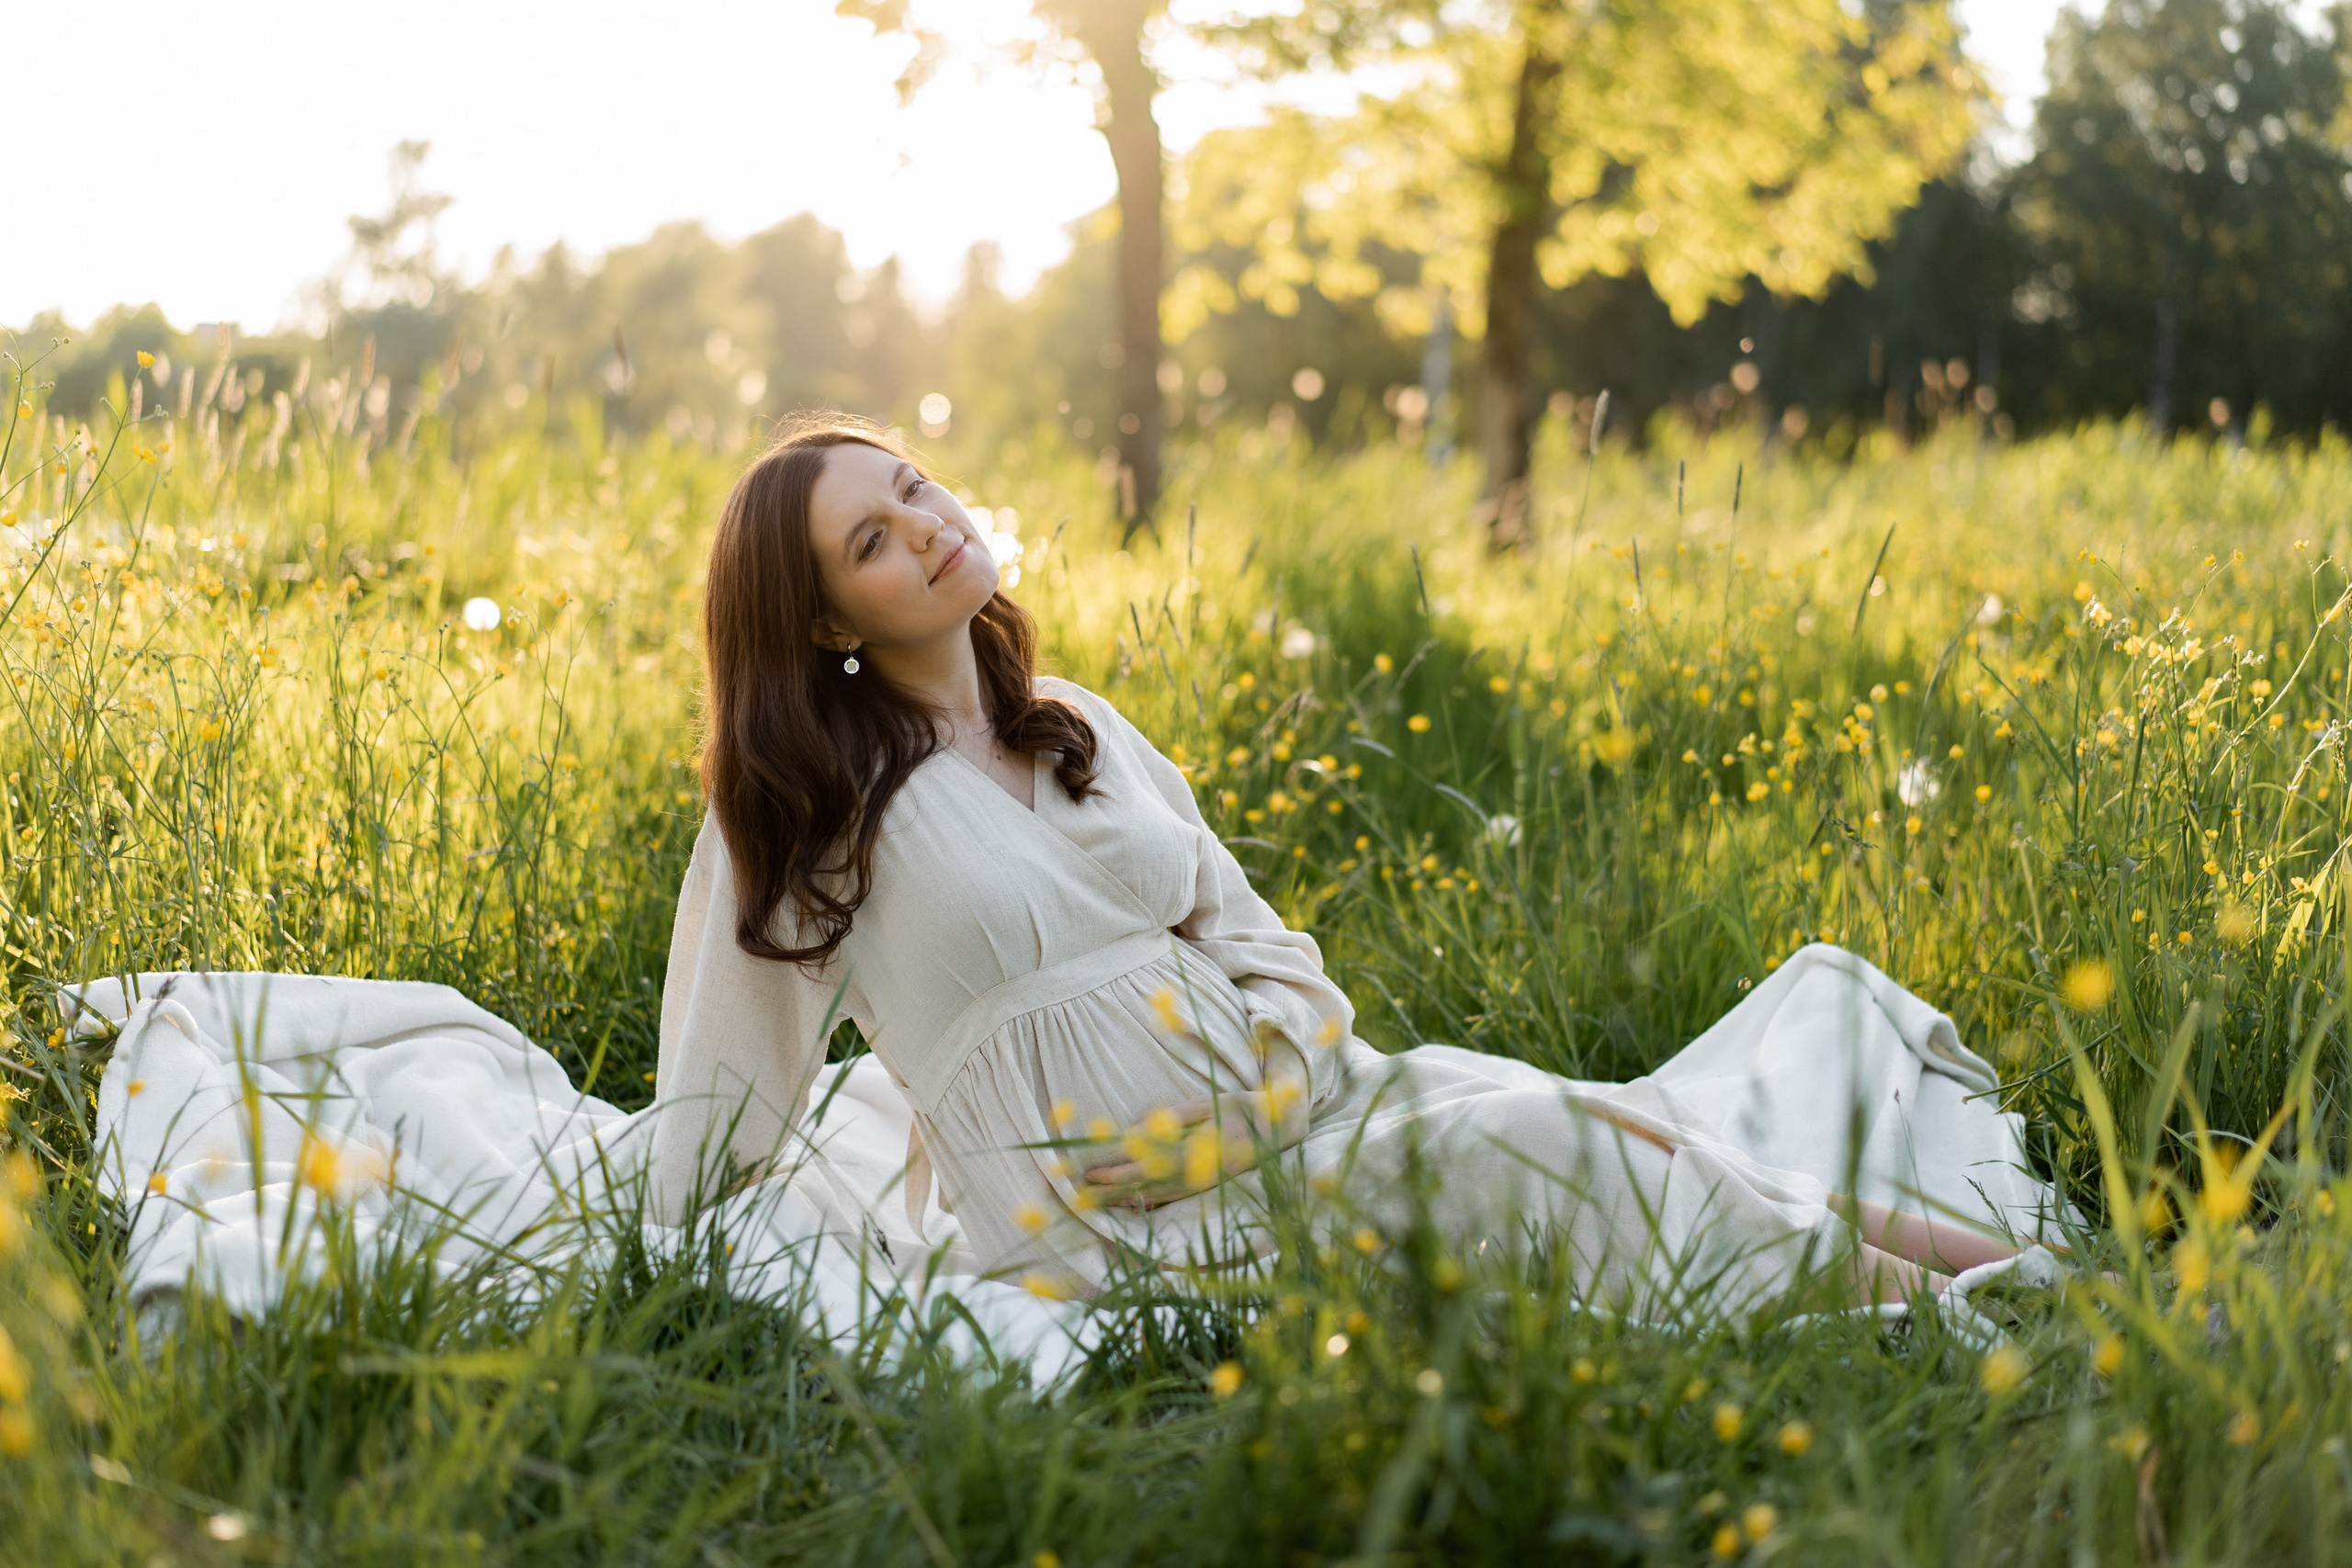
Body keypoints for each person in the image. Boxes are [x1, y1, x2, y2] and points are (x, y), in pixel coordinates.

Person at [650, 415, 2062, 1313]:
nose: (929, 527)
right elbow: (727, 1094)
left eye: (916, 487)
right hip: (1125, 1224)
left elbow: (1244, 924)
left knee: (1612, 1121)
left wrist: (1291, 1057)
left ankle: (2040, 1285)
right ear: (825, 616)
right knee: (1541, 1144)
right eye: (873, 542)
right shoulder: (808, 805)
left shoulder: (1072, 720)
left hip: (1295, 1102)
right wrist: (680, 1235)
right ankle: (1977, 1320)